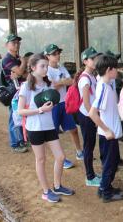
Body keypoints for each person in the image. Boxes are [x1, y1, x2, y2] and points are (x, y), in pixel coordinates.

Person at [18, 53, 75, 203]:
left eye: (46, 66)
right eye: (42, 66)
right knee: (41, 159)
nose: (45, 69)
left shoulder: (48, 84)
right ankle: (45, 191)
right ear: (33, 68)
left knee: (61, 157)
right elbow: (20, 111)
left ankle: (57, 186)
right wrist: (40, 110)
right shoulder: (26, 86)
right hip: (34, 128)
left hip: (49, 126)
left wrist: (51, 105)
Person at [88, 54, 123, 202]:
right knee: (110, 165)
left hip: (110, 134)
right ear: (109, 69)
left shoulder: (106, 82)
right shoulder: (103, 88)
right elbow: (92, 113)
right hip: (108, 135)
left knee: (111, 162)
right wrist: (107, 130)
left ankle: (105, 187)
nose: (117, 70)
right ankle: (106, 192)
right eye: (115, 68)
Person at [44, 44, 83, 169]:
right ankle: (61, 159)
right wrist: (62, 82)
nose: (57, 55)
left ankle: (79, 152)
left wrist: (60, 82)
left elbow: (71, 81)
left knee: (73, 129)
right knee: (53, 134)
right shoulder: (46, 70)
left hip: (63, 103)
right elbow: (52, 85)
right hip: (52, 105)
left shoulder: (61, 68)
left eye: (58, 53)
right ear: (47, 56)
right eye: (54, 54)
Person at [77, 47, 101, 186]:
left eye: (96, 57)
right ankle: (90, 177)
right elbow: (86, 103)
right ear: (85, 61)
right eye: (92, 58)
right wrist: (95, 119)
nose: (95, 60)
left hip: (90, 114)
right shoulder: (85, 79)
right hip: (87, 116)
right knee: (88, 146)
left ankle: (91, 174)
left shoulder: (92, 75)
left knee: (90, 145)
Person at [2, 34, 28, 153]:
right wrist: (23, 63)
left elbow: (25, 74)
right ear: (7, 45)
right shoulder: (7, 59)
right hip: (13, 92)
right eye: (13, 43)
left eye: (18, 42)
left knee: (21, 116)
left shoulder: (17, 58)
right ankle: (14, 143)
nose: (16, 44)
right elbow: (21, 71)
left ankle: (21, 140)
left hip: (21, 89)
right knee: (14, 117)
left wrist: (20, 72)